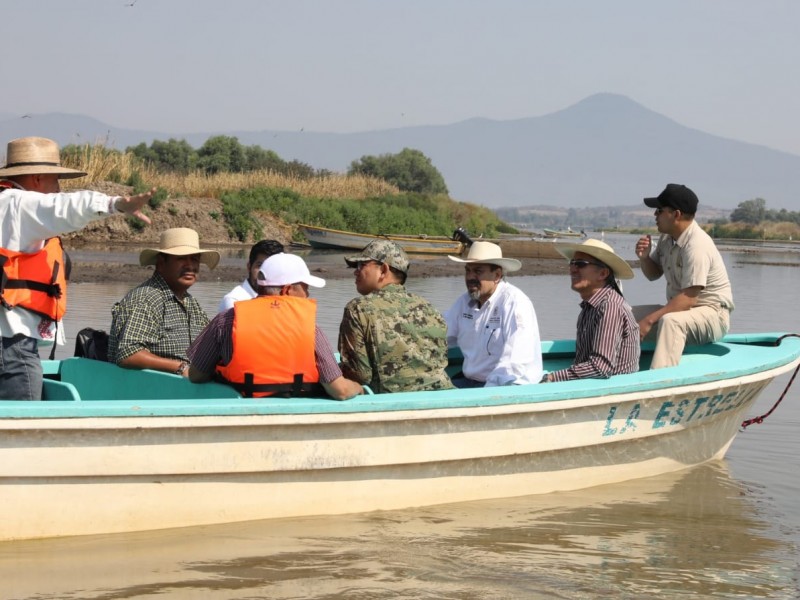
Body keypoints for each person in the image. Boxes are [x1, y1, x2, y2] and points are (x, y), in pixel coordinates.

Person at [0, 136, 152, 400]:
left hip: (10, 344)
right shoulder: (19, 203)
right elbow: (64, 207)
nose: (59, 188)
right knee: (21, 432)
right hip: (11, 346)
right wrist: (113, 204)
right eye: (56, 179)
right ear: (36, 178)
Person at [187, 253, 364, 400]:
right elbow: (339, 390)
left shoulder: (225, 320)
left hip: (241, 411)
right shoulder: (310, 329)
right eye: (305, 288)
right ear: (287, 290)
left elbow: (196, 375)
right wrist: (358, 387)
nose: (308, 294)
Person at [635, 183, 734, 369]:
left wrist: (649, 320)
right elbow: (653, 274)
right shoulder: (667, 238)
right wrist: (645, 257)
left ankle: (660, 384)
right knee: (623, 315)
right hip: (683, 311)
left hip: (713, 315)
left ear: (676, 214)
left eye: (659, 210)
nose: (655, 215)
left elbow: (688, 299)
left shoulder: (697, 245)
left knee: (670, 322)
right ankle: (616, 371)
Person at [338, 240, 453, 393]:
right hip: (444, 394)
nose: (355, 271)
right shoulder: (430, 307)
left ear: (384, 270)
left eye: (361, 265)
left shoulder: (358, 309)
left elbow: (359, 376)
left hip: (393, 401)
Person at [108, 227, 218, 376]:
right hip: (149, 393)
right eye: (181, 258)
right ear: (161, 263)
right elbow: (128, 353)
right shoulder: (148, 298)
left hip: (182, 390)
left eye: (194, 259)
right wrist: (181, 368)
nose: (190, 265)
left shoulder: (191, 303)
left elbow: (211, 343)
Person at [445, 241, 543, 387]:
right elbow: (443, 334)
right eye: (468, 271)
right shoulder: (464, 301)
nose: (470, 277)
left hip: (508, 387)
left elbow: (514, 363)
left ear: (497, 275)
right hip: (471, 381)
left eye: (478, 271)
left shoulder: (514, 302)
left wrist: (488, 392)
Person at [542, 239, 640, 382]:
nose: (573, 269)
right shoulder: (590, 306)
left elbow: (600, 367)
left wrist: (552, 377)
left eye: (581, 264)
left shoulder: (610, 306)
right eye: (572, 263)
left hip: (613, 391)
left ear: (603, 274)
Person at [218, 239, 284, 312]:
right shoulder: (234, 301)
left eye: (273, 267)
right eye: (260, 265)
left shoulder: (286, 299)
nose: (265, 273)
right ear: (249, 267)